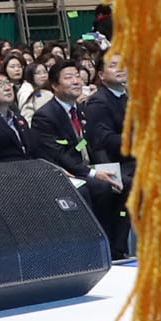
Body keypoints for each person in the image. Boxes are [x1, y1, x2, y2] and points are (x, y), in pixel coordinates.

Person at [27, 63, 131, 259]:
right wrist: (93, 173)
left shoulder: (81, 111)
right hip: (61, 172)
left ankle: (118, 248)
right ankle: (98, 248)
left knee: (126, 183)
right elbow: (58, 155)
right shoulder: (45, 116)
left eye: (77, 76)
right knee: (101, 188)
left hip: (85, 168)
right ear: (55, 86)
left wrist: (107, 169)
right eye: (68, 77)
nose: (76, 81)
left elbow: (92, 144)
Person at [86, 48, 135, 192]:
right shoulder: (98, 102)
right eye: (113, 66)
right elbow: (105, 140)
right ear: (101, 75)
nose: (120, 69)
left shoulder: (126, 97)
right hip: (116, 164)